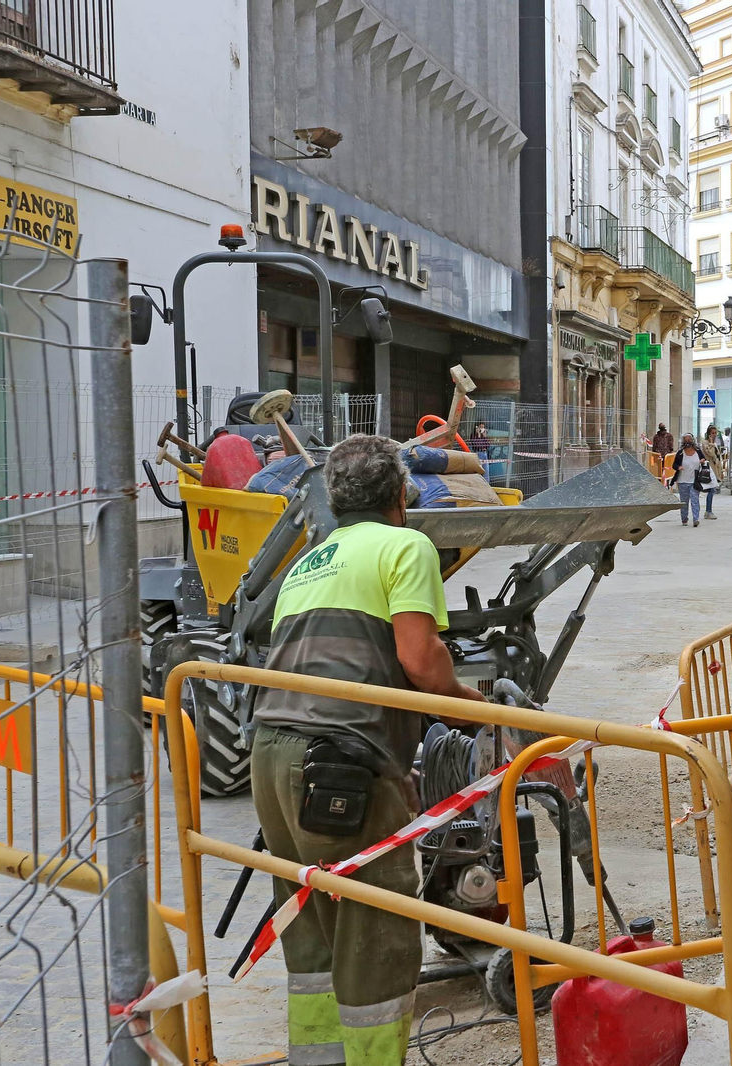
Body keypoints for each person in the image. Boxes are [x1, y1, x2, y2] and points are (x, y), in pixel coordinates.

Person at [251, 435, 486, 1066]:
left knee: (313, 926)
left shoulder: (312, 559)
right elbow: (420, 661)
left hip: (271, 755)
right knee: (373, 931)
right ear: (400, 498)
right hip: (337, 761)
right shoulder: (405, 544)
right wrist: (475, 705)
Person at [670, 434, 713, 526]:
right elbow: (674, 465)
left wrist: (702, 461)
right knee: (684, 501)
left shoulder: (697, 451)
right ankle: (684, 519)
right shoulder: (681, 453)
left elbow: (703, 459)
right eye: (686, 440)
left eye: (689, 439)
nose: (688, 441)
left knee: (695, 500)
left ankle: (695, 519)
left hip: (694, 481)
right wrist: (679, 467)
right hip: (682, 481)